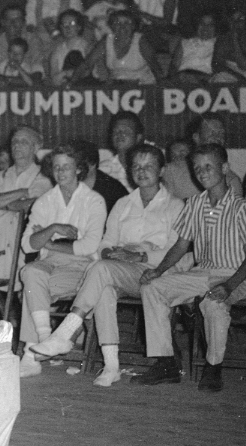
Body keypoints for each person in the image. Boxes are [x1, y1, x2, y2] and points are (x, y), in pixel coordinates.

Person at [30, 144, 182, 386]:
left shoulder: (175, 205)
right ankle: (112, 366)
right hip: (122, 270)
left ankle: (65, 332)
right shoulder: (123, 204)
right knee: (103, 288)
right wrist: (111, 252)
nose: (141, 171)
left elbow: (176, 250)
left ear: (162, 170)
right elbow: (105, 243)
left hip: (157, 271)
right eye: (136, 166)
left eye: (149, 166)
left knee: (100, 270)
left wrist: (141, 257)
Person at [137, 144, 246, 392]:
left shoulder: (241, 207)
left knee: (213, 303)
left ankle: (213, 368)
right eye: (197, 168)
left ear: (224, 168)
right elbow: (180, 246)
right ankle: (166, 363)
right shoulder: (194, 203)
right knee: (152, 288)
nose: (202, 173)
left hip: (236, 276)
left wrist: (229, 286)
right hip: (202, 273)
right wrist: (158, 271)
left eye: (208, 167)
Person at [16, 144, 108, 377]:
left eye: (66, 166)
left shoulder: (94, 200)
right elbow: (27, 244)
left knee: (32, 289)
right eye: (56, 167)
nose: (60, 172)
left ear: (78, 169)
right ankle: (46, 339)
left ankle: (30, 355)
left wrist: (47, 242)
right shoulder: (45, 201)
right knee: (31, 272)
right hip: (50, 264)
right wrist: (54, 228)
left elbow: (88, 246)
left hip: (82, 267)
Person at [0, 126, 52, 284]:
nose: (17, 145)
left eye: (23, 142)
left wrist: (4, 205)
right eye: (14, 141)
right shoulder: (1, 176)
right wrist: (22, 192)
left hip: (26, 249)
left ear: (36, 147)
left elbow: (34, 205)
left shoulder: (43, 176)